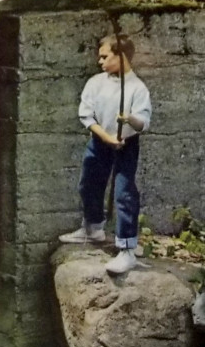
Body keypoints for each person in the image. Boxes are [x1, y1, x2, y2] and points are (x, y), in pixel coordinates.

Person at [59, 33, 152, 275]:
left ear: (120, 56)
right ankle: (93, 228)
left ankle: (127, 249)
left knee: (124, 193)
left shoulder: (136, 88)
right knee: (88, 184)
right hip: (100, 141)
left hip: (126, 145)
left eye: (104, 56)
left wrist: (129, 118)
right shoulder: (96, 82)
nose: (100, 61)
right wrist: (106, 136)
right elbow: (87, 116)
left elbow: (143, 122)